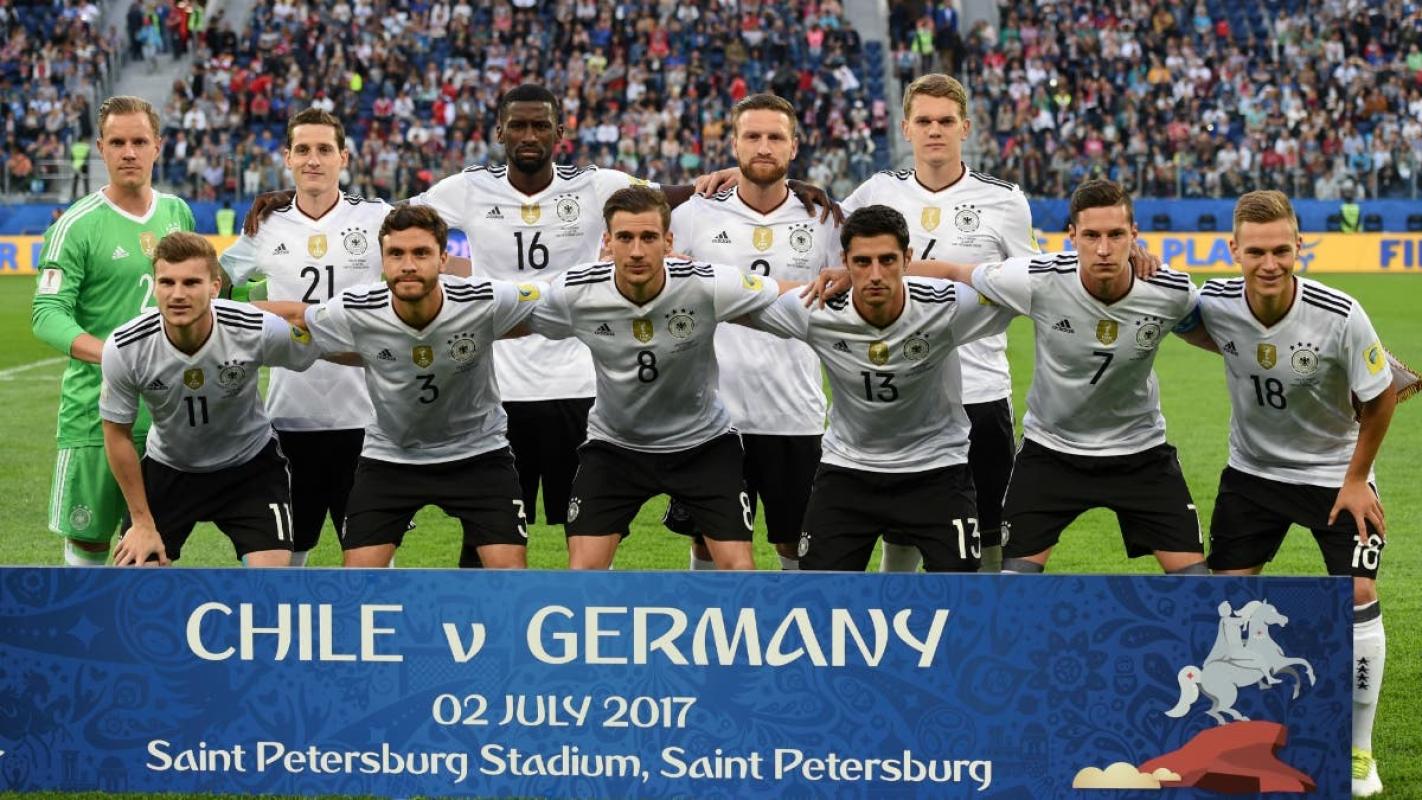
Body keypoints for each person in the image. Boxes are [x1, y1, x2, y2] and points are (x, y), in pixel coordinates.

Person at [1193, 190, 1396, 798]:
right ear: (1234, 249)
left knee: (1358, 594)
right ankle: (1236, 737)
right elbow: (1169, 313)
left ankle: (1358, 751)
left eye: (1282, 250)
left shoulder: (1341, 314)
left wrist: (1356, 479)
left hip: (1334, 476)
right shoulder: (1215, 303)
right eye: (1256, 251)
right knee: (1225, 604)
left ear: (1300, 246)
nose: (1270, 263)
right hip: (1252, 474)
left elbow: (1382, 396)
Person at [905, 180, 1208, 575]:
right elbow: (953, 271)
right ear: (1072, 236)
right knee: (1016, 584)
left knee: (1197, 586)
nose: (1103, 248)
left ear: (1134, 235)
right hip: (1051, 451)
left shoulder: (1170, 291)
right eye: (1092, 235)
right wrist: (855, 275)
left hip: (1140, 452)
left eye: (1116, 235)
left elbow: (1217, 332)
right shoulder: (1038, 278)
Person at [524, 186, 798, 571]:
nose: (637, 251)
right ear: (607, 242)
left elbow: (784, 293)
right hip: (615, 446)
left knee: (739, 570)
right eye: (625, 238)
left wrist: (844, 280)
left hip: (702, 444)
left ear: (668, 242)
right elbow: (503, 318)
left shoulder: (704, 283)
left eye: (649, 237)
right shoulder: (576, 291)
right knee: (582, 575)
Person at [839, 74, 1038, 573]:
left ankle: (985, 620)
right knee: (900, 535)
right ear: (905, 127)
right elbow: (817, 232)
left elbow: (1030, 285)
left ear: (965, 127)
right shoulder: (877, 192)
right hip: (901, 394)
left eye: (946, 121)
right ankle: (896, 621)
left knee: (988, 535)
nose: (935, 131)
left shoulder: (1004, 200)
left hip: (980, 391)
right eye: (924, 121)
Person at [268, 205, 539, 569]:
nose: (408, 264)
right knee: (360, 580)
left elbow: (557, 300)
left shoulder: (484, 300)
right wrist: (210, 310)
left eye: (421, 253)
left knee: (510, 576)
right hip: (391, 457)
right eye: (396, 254)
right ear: (382, 261)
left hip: (479, 453)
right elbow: (297, 317)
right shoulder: (358, 308)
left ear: (443, 259)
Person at [748, 205, 1012, 572]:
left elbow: (1030, 288)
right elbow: (731, 300)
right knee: (819, 593)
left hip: (937, 470)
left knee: (960, 591)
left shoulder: (947, 306)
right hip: (848, 469)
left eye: (887, 260)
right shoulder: (816, 310)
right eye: (862, 262)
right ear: (844, 262)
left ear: (907, 259)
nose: (875, 274)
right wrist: (674, 272)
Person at [661, 93, 839, 571]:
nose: (764, 147)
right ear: (734, 144)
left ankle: (796, 617)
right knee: (707, 542)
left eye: (775, 137)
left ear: (794, 146)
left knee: (795, 544)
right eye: (752, 136)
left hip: (794, 413)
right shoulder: (693, 213)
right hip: (713, 417)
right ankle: (710, 620)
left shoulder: (824, 219)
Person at [219, 109, 390, 566]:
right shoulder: (265, 225)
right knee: (289, 558)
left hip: (369, 419)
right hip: (288, 421)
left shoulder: (377, 217)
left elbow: (427, 251)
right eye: (303, 150)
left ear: (344, 158)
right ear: (287, 157)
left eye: (324, 150)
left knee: (373, 562)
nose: (313, 159)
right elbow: (214, 281)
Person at [31, 95, 195, 566]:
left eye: (139, 141)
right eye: (117, 142)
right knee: (89, 543)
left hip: (167, 417)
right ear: (100, 148)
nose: (129, 152)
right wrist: (115, 356)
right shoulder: (77, 225)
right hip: (95, 416)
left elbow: (208, 290)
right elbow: (47, 313)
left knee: (153, 549)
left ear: (158, 146)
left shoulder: (177, 213)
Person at [100, 233, 319, 566]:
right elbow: (116, 434)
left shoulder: (253, 328)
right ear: (154, 286)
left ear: (215, 287)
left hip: (250, 468)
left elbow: (316, 347)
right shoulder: (126, 347)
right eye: (167, 282)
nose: (177, 294)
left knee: (271, 584)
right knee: (136, 578)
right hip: (169, 468)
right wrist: (142, 522)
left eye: (191, 282)